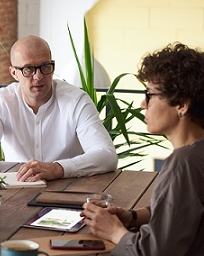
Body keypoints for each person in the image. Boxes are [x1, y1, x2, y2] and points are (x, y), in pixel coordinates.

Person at [81, 43, 204, 255]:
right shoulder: (196, 154)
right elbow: (184, 214)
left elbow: (153, 252)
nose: (142, 104)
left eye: (150, 95)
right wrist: (133, 216)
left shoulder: (183, 163)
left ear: (182, 105)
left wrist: (114, 231)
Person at [0, 35, 117, 181]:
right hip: (17, 190)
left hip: (66, 188)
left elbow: (107, 155)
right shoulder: (2, 101)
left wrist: (57, 169)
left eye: (45, 66)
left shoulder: (76, 101)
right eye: (29, 69)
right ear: (14, 73)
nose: (38, 76)